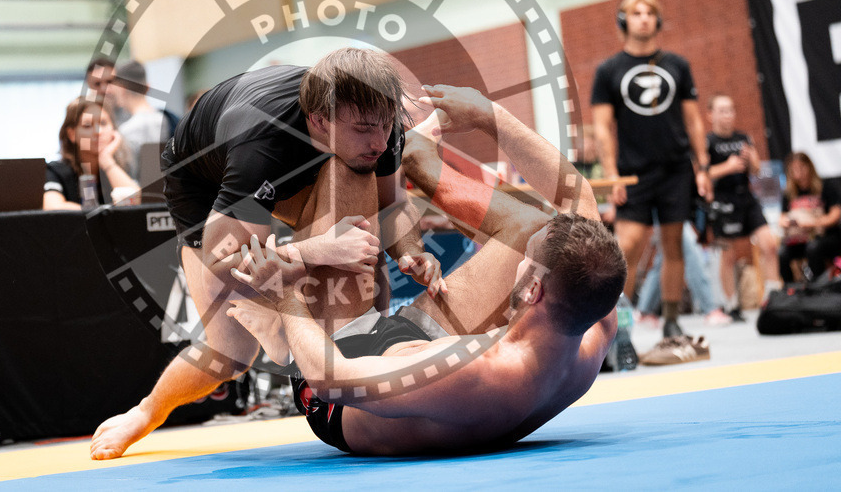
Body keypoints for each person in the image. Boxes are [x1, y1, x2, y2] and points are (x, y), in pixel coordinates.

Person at [230, 84, 627, 455]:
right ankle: (418, 156)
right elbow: (579, 198)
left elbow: (331, 381)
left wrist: (287, 296)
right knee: (535, 229)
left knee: (347, 171)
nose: (521, 258)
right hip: (420, 346)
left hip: (336, 379)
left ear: (533, 291)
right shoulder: (595, 317)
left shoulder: (477, 373)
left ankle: (279, 335)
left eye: (529, 260)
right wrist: (489, 115)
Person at [90, 48, 440, 460]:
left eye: (385, 127)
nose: (379, 141)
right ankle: (146, 411)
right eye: (365, 129)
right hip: (205, 179)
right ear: (320, 119)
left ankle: (357, 341)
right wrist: (313, 249)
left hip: (308, 161)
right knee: (231, 353)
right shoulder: (262, 141)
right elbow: (222, 262)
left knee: (357, 189)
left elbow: (392, 206)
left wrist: (412, 252)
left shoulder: (377, 128)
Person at [591, 0, 712, 350]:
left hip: (676, 170)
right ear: (623, 21)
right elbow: (601, 128)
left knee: (674, 246)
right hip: (633, 174)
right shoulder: (609, 71)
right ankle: (613, 325)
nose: (643, 18)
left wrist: (702, 167)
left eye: (649, 13)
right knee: (625, 246)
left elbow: (693, 121)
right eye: (636, 12)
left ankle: (671, 321)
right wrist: (612, 174)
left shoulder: (677, 64)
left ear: (657, 21)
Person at [705, 93, 782, 319]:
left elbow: (757, 172)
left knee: (769, 244)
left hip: (746, 198)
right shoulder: (708, 142)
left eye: (730, 110)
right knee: (728, 256)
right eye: (722, 110)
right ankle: (731, 305)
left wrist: (752, 161)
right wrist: (727, 167)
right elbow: (703, 175)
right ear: (711, 115)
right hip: (723, 201)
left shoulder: (744, 138)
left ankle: (773, 297)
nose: (727, 115)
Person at [43, 97, 139, 210]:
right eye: (87, 125)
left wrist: (107, 161)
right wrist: (101, 212)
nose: (98, 132)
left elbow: (138, 203)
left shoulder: (118, 167)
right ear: (72, 134)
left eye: (103, 123)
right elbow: (52, 207)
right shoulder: (56, 170)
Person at [106, 59, 177, 182]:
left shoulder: (125, 131)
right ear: (147, 87)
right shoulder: (169, 120)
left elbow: (130, 178)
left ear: (122, 89)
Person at [777, 152, 841, 283]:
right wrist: (790, 222)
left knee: (813, 247)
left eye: (801, 168)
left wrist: (811, 223)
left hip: (826, 237)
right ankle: (790, 289)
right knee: (782, 252)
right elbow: (782, 218)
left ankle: (819, 286)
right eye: (794, 170)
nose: (798, 173)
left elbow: (835, 216)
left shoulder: (825, 186)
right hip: (799, 239)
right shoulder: (789, 192)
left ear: (809, 167)